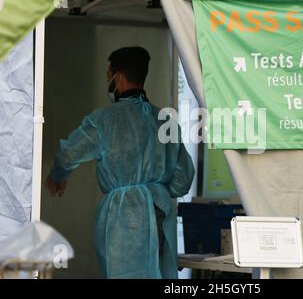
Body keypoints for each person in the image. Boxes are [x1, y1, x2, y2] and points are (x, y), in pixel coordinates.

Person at [44, 46, 195, 279]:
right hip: (161, 212)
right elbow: (182, 180)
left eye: (108, 76)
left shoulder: (104, 120)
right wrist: (157, 189)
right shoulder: (166, 120)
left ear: (119, 78)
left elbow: (69, 153)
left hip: (124, 216)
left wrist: (57, 176)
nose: (108, 81)